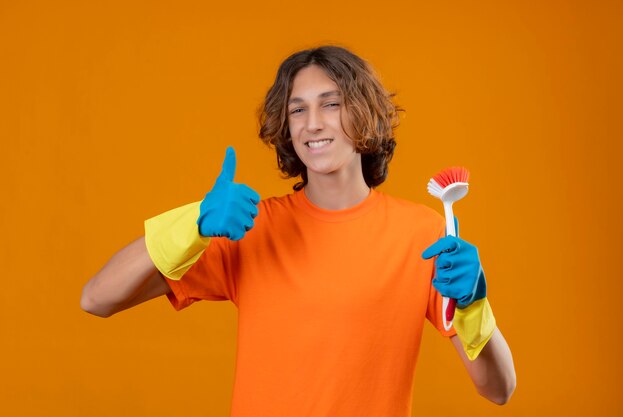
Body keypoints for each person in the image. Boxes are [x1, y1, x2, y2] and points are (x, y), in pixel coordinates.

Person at [81, 45, 516, 416]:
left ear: (363, 115)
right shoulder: (252, 230)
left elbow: (498, 389)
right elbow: (97, 298)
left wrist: (474, 304)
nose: (312, 123)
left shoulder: (423, 236)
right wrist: (191, 223)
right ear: (286, 128)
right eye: (297, 109)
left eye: (331, 104)